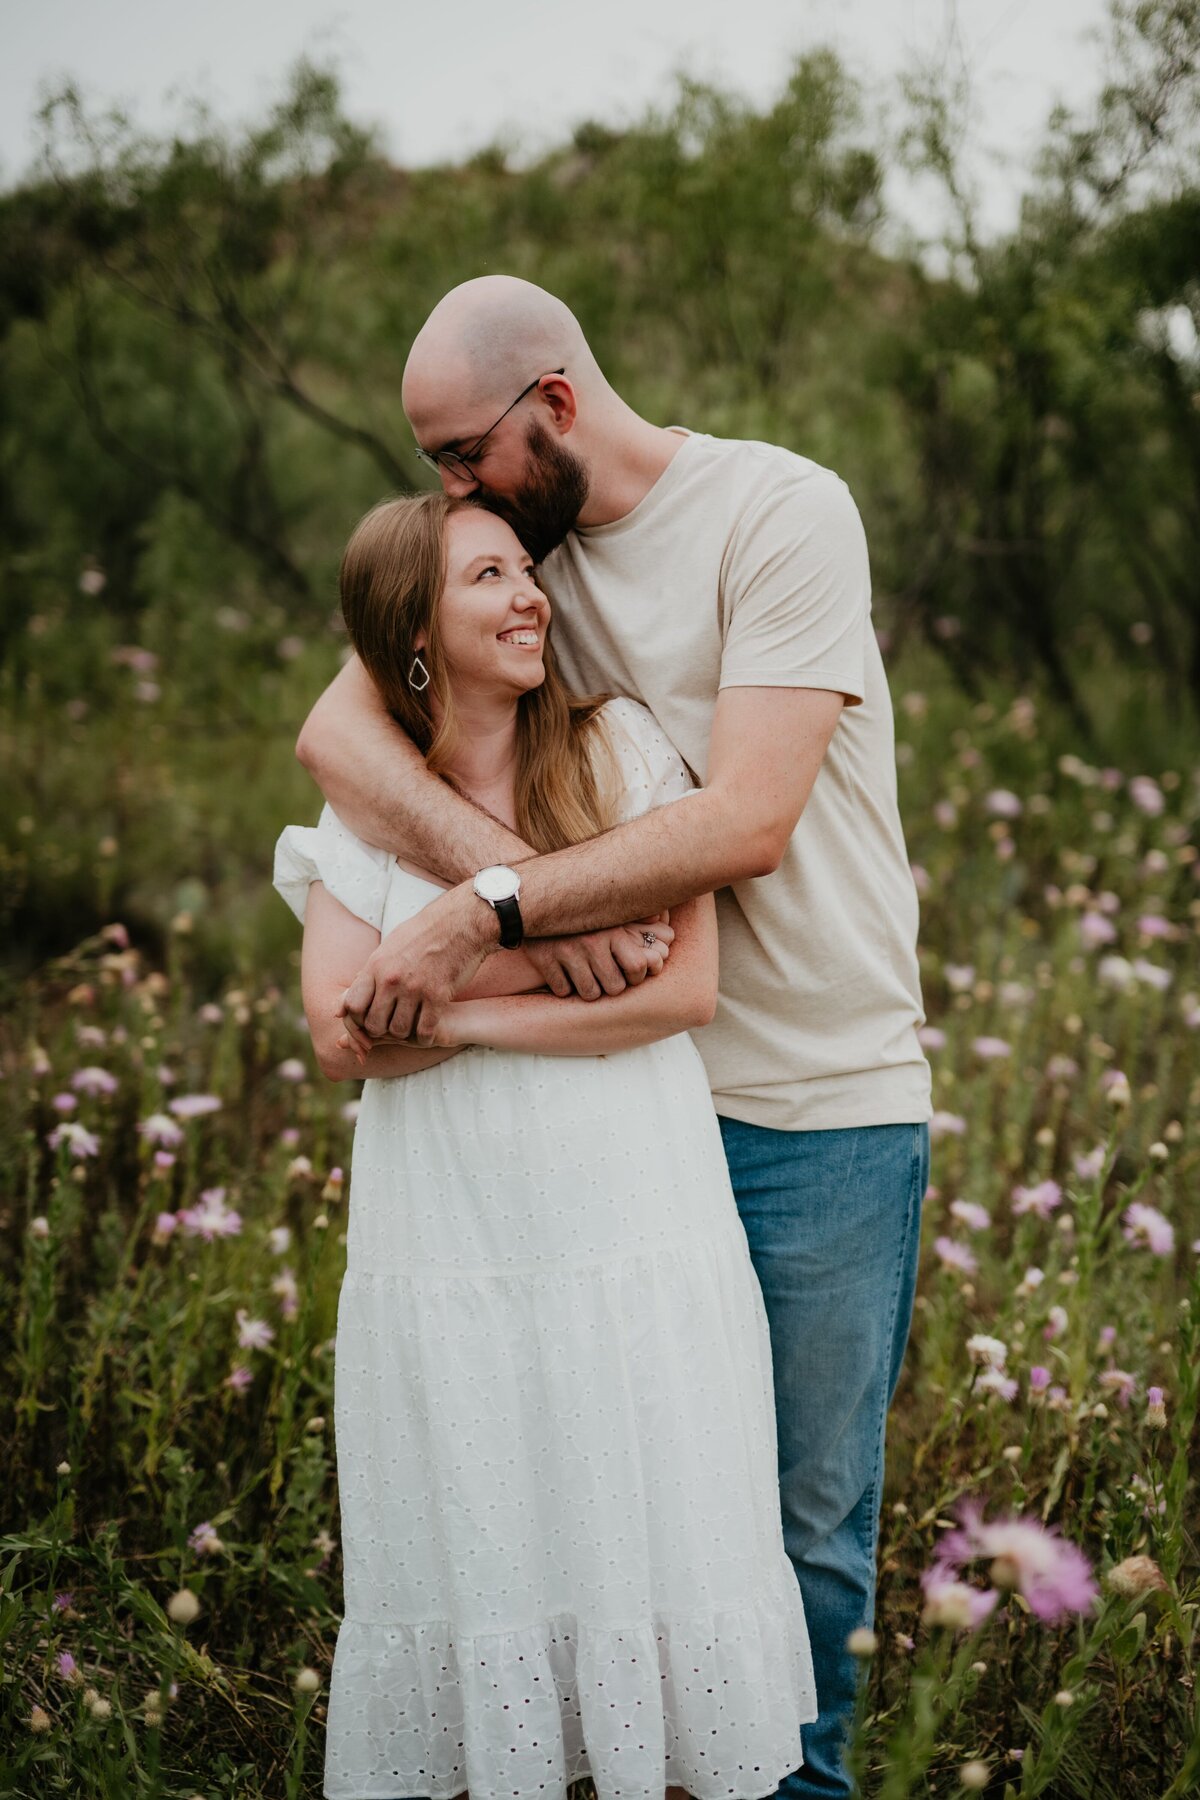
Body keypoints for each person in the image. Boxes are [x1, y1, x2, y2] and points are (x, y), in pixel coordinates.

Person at [296, 277, 933, 1799]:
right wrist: (510, 905)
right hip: (616, 1115)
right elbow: (340, 730)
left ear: (555, 409)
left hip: (812, 1102)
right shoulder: (528, 561)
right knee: (610, 1531)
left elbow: (746, 820)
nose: (452, 492)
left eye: (463, 454)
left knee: (793, 1539)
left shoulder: (780, 512)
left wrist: (483, 916)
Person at [274, 491, 818, 1800]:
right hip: (450, 1228)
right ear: (414, 628)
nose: (529, 595)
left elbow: (682, 991)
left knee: (656, 1542)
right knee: (488, 1537)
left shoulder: (618, 749)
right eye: (487, 578)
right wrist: (541, 987)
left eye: (529, 571)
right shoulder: (373, 804)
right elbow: (342, 1034)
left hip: (631, 1204)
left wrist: (454, 997)